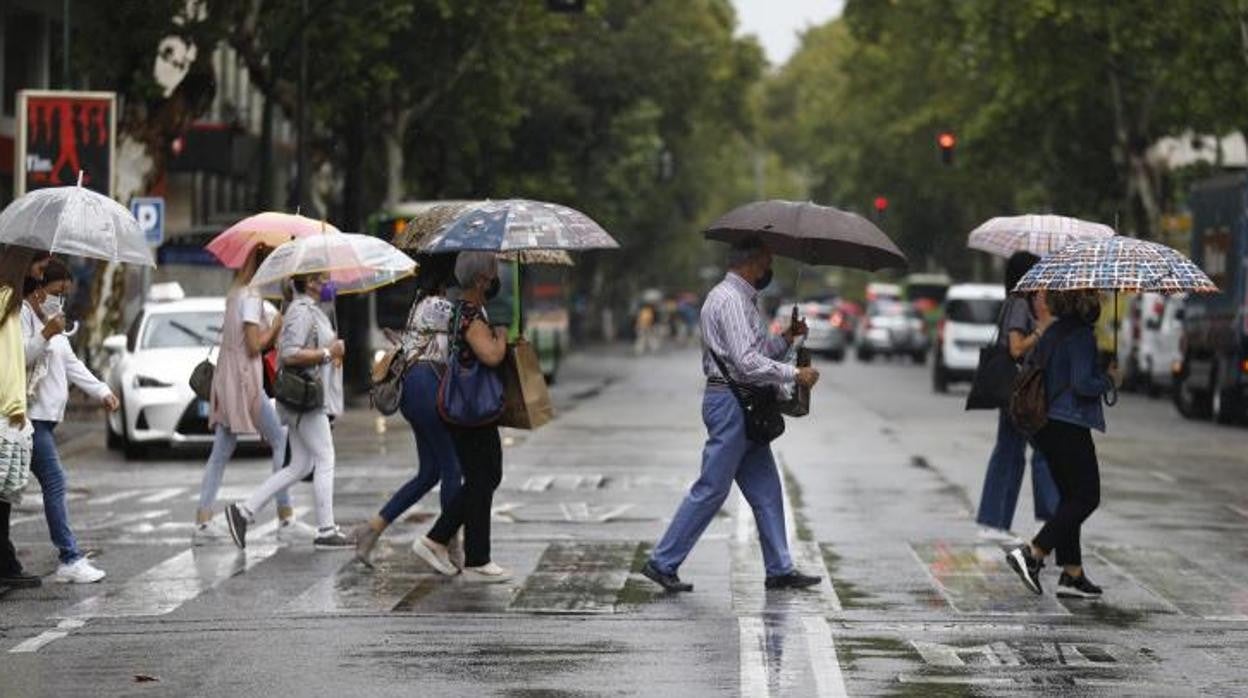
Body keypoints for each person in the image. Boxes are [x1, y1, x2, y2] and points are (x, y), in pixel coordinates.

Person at [642, 237, 823, 593]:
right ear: (751, 262)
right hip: (732, 403)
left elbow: (758, 351)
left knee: (767, 489)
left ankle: (779, 568)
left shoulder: (743, 300)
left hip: (744, 403)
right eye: (767, 262)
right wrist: (794, 374)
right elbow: (747, 363)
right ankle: (662, 562)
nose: (769, 270)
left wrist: (788, 337)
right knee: (712, 487)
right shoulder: (730, 300)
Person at [193, 245, 313, 545]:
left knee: (222, 450)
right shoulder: (250, 297)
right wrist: (276, 327)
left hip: (230, 377)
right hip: (244, 380)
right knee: (280, 440)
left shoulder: (236, 293)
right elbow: (253, 345)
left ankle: (203, 522)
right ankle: (285, 518)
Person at [225, 271, 350, 549]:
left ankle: (243, 512)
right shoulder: (301, 310)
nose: (326, 283)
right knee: (325, 457)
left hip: (305, 397)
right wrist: (328, 353)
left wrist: (331, 352)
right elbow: (290, 353)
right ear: (308, 283)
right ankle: (326, 529)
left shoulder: (310, 309)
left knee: (300, 465)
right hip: (304, 397)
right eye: (321, 279)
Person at [1006, 289, 1118, 599]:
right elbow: (1082, 384)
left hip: (1046, 425)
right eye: (1095, 296)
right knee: (1086, 497)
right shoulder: (1080, 335)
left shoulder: (1054, 330)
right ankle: (1033, 553)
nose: (1100, 301)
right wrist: (1109, 379)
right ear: (1083, 302)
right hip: (1069, 424)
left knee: (1070, 498)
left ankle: (1072, 573)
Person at [354, 255, 463, 566]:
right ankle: (447, 542)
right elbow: (467, 328)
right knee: (452, 468)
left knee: (430, 472)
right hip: (428, 387)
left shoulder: (419, 302)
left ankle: (372, 529)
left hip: (413, 389)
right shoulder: (441, 306)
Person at [410, 251, 510, 582]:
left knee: (485, 477)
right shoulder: (469, 314)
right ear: (481, 280)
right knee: (484, 476)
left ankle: (473, 554)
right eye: (492, 273)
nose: (495, 280)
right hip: (472, 408)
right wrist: (502, 333)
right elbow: (491, 355)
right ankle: (439, 541)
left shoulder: (465, 311)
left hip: (469, 406)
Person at [20, 259, 115, 583]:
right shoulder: (22, 316)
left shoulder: (53, 323)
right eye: (56, 291)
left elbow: (72, 365)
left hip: (45, 420)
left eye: (64, 294)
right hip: (29, 418)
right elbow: (18, 358)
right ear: (38, 289)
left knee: (17, 489)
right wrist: (45, 334)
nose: (59, 300)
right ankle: (69, 558)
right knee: (55, 482)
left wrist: (102, 391)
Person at [975, 252, 1061, 541]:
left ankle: (995, 523)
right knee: (1035, 451)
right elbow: (1015, 348)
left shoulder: (1021, 302)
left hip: (1021, 389)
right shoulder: (1020, 303)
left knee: (1013, 452)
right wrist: (1042, 330)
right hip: (1020, 390)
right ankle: (1039, 520)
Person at [0, 245, 40, 588]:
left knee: (4, 495)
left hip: (11, 411)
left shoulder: (14, 305)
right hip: (3, 411)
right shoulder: (4, 299)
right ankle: (6, 562)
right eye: (37, 265)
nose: (40, 274)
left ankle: (6, 560)